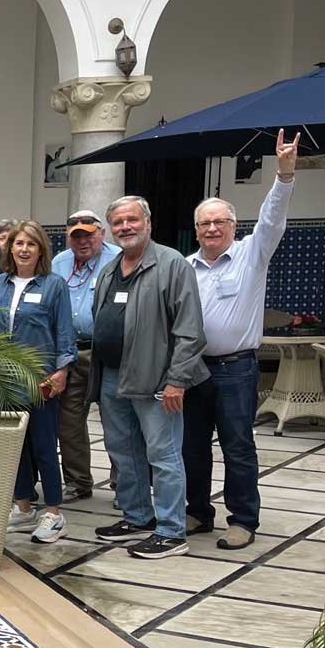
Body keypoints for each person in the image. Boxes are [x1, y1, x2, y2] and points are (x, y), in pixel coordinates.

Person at [183, 129, 299, 551]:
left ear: (234, 226)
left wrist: (284, 175)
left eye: (220, 222)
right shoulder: (184, 267)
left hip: (237, 369)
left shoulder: (252, 254)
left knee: (238, 447)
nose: (212, 228)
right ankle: (198, 511)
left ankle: (243, 519)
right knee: (192, 447)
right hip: (194, 371)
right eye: (205, 223)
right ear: (196, 230)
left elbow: (272, 219)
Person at [90, 195, 208, 560]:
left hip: (157, 380)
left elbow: (190, 331)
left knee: (163, 454)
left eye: (132, 220)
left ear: (148, 223)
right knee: (123, 451)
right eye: (118, 222)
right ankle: (138, 517)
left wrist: (177, 380)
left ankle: (171, 531)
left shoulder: (172, 265)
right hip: (113, 376)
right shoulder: (110, 269)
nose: (125, 227)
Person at [0, 221, 76, 544]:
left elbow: (64, 331)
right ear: (10, 249)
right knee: (15, 449)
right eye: (18, 243)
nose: (23, 249)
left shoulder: (54, 285)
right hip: (4, 382)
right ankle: (23, 508)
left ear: (41, 250)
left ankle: (54, 513)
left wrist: (62, 371)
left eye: (30, 244)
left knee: (44, 447)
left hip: (40, 381)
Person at [50, 209, 121, 503]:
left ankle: (124, 484)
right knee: (69, 422)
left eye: (89, 235)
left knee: (116, 419)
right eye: (76, 236)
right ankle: (78, 482)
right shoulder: (59, 262)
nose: (83, 242)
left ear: (101, 233)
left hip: (108, 350)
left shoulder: (118, 259)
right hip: (70, 350)